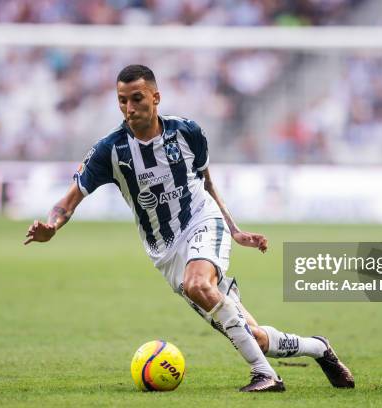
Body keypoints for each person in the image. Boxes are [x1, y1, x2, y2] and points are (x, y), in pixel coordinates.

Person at [24, 64, 354, 392]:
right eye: (122, 100)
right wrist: (52, 225)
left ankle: (265, 375)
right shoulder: (110, 151)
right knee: (253, 336)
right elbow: (67, 201)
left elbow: (206, 182)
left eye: (137, 98)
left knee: (197, 283)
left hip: (202, 221)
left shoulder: (186, 132)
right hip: (167, 255)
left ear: (156, 97)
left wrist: (234, 229)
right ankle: (319, 348)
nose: (129, 108)